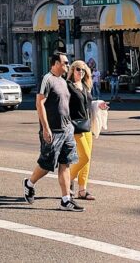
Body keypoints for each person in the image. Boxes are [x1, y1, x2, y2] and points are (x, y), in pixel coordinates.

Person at [22, 51, 83, 212]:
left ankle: (65, 200)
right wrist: (46, 128)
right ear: (55, 64)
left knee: (65, 163)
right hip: (53, 130)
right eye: (64, 63)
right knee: (47, 164)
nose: (67, 65)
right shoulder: (47, 79)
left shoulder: (63, 81)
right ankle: (29, 183)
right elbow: (39, 103)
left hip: (67, 129)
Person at [67, 60, 108, 202]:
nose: (81, 72)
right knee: (84, 157)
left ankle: (82, 190)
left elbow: (89, 104)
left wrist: (99, 105)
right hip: (74, 126)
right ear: (72, 70)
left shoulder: (85, 86)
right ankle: (68, 179)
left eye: (83, 70)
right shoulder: (68, 86)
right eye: (78, 69)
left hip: (86, 125)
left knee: (87, 160)